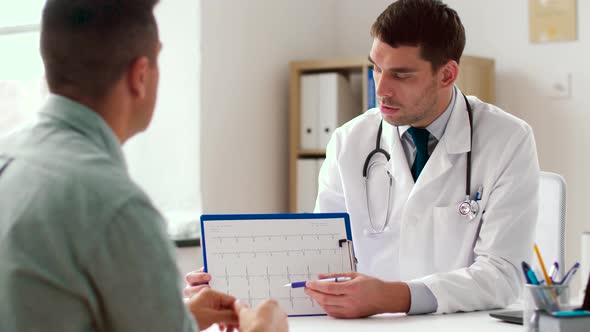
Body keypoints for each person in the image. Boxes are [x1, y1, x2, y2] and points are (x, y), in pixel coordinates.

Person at [185, 0, 540, 318]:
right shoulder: (350, 140)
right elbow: (321, 255)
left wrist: (394, 297)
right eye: (376, 68)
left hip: (461, 324)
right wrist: (229, 285)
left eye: (401, 74)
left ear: (447, 74)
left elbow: (502, 275)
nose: (381, 89)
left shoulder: (507, 139)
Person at [0, 1, 287, 331]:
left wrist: (179, 317)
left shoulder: (11, 157)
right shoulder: (116, 207)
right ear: (139, 76)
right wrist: (265, 329)